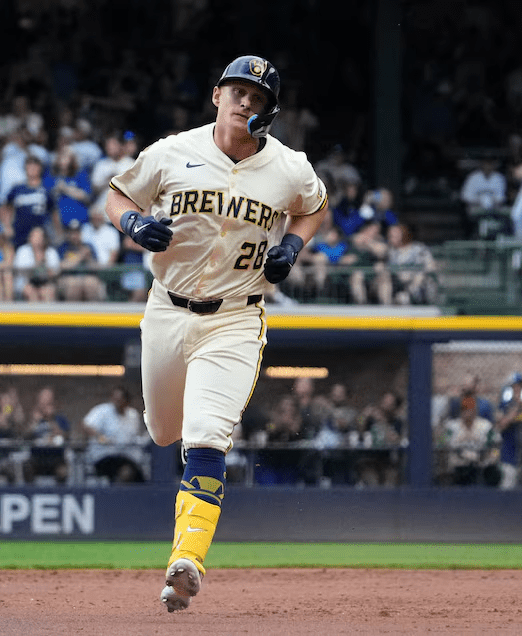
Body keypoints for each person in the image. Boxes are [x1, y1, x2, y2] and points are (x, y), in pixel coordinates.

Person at [104, 55, 327, 612]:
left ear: (269, 110)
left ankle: (187, 559)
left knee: (205, 436)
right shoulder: (171, 151)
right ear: (216, 95)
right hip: (165, 310)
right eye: (236, 90)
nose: (244, 100)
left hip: (235, 316)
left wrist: (294, 247)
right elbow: (117, 196)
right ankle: (187, 533)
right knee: (162, 431)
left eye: (256, 95)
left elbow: (314, 207)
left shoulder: (289, 167)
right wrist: (133, 223)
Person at [81, 385, 148, 484]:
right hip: (104, 455)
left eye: (120, 400)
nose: (116, 403)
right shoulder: (102, 410)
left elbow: (135, 436)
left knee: (139, 476)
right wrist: (101, 438)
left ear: (126, 401)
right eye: (115, 399)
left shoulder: (133, 415)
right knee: (125, 471)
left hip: (126, 455)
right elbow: (85, 425)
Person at [494, 373, 522, 489]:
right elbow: (501, 424)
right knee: (508, 485)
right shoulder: (504, 405)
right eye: (516, 385)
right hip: (509, 452)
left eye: (521, 386)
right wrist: (515, 410)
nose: (519, 388)